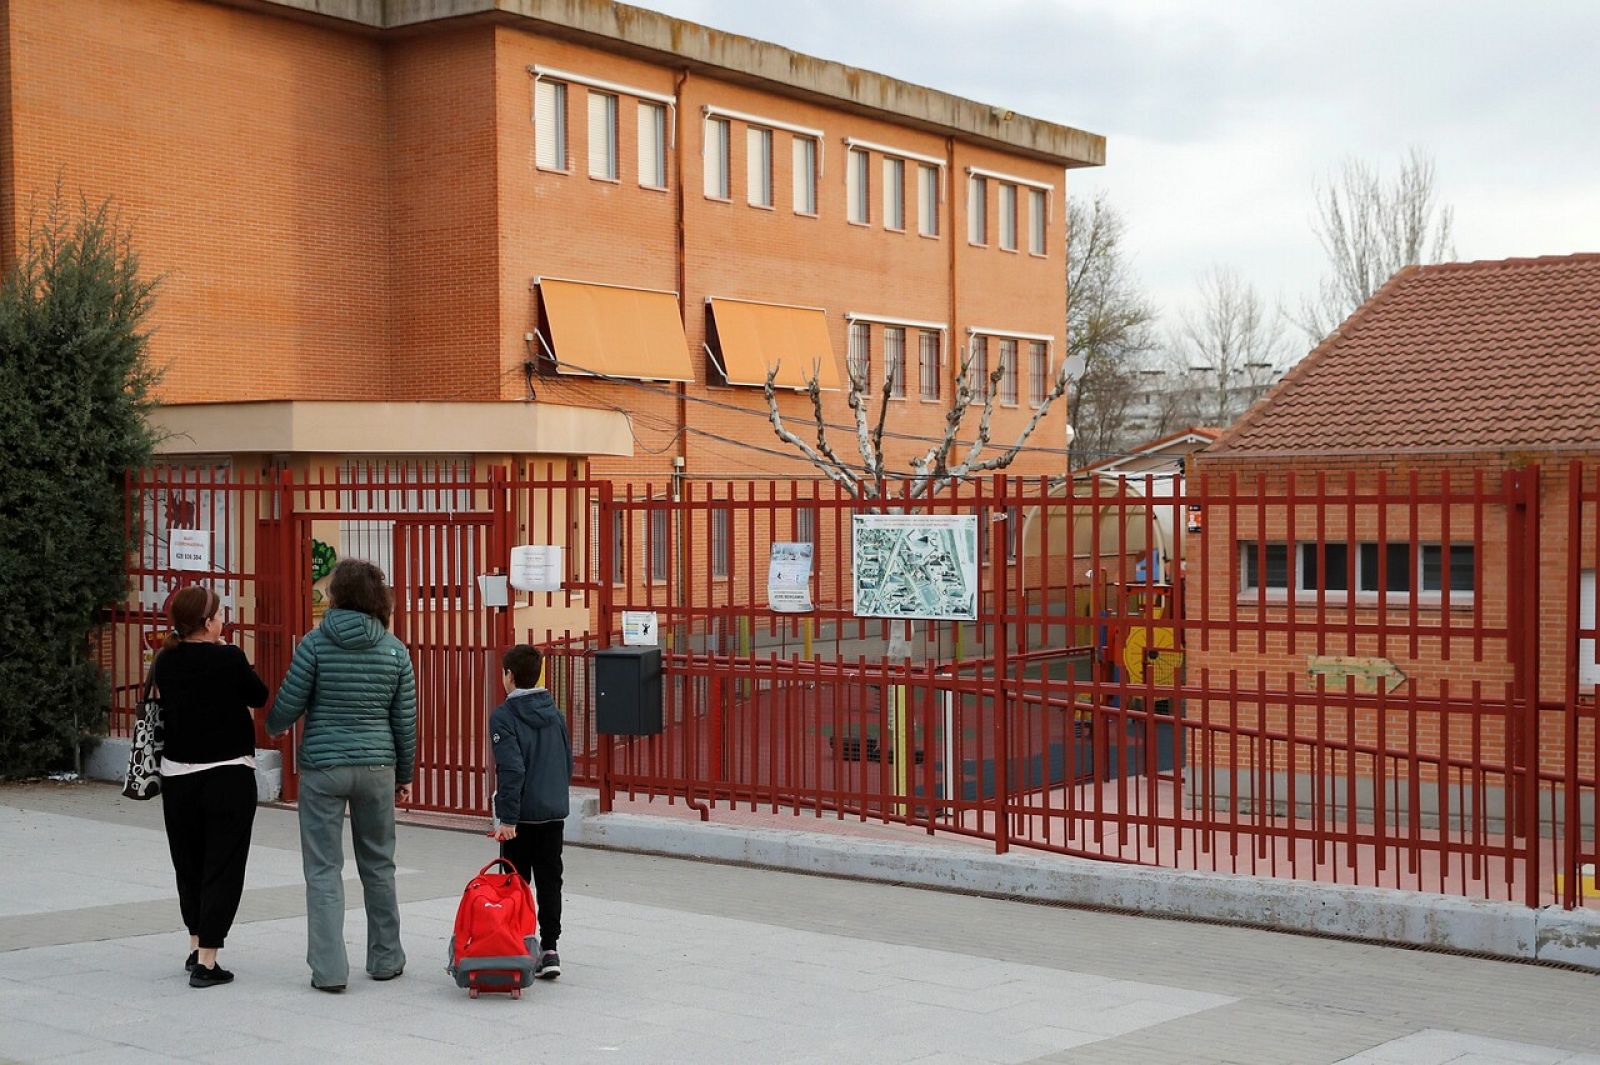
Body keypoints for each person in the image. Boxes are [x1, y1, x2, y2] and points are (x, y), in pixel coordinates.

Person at [267, 559, 416, 993]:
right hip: (376, 769)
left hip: (323, 768)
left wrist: (273, 726)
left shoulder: (314, 644)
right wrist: (402, 774)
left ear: (337, 594)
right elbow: (404, 722)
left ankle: (330, 971)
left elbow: (288, 705)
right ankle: (386, 958)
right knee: (379, 863)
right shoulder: (394, 650)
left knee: (323, 869)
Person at [149, 584, 270, 988]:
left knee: (189, 863)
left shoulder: (165, 660)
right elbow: (259, 694)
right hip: (227, 774)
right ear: (207, 621)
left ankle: (194, 941)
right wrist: (234, 656)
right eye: (220, 614)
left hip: (178, 776)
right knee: (223, 864)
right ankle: (208, 961)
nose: (224, 620)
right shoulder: (229, 657)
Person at [488, 643, 572, 980]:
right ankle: (550, 949)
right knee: (550, 881)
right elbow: (567, 761)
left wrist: (507, 819)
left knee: (514, 884)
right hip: (552, 814)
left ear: (508, 675)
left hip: (520, 818)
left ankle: (518, 944)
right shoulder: (555, 713)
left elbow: (511, 770)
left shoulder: (504, 716)